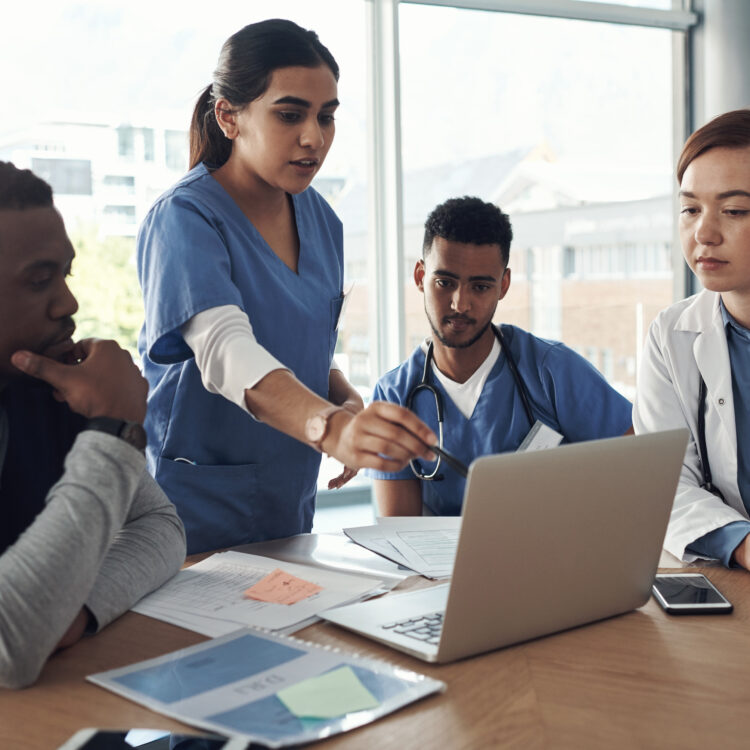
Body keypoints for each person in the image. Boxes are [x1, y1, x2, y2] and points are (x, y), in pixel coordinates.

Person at [137, 19, 436, 554]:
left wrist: (340, 396)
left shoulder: (323, 221)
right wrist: (332, 430)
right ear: (229, 116)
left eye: (326, 117)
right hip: (192, 515)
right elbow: (228, 351)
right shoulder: (185, 218)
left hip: (287, 506)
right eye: (290, 114)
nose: (313, 138)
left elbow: (298, 338)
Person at [0, 162, 186, 689]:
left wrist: (71, 607)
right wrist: (113, 428)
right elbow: (8, 642)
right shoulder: (88, 408)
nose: (69, 303)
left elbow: (161, 528)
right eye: (40, 280)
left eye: (67, 274)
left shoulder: (51, 387)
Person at [369, 196, 634, 516]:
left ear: (504, 285)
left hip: (548, 558)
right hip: (440, 565)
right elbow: (400, 538)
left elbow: (638, 469)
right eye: (444, 282)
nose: (459, 304)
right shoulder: (395, 396)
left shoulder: (553, 371)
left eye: (479, 287)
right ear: (419, 277)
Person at [634, 108, 750, 569]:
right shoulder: (671, 334)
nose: (703, 232)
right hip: (735, 579)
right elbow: (662, 485)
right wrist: (742, 544)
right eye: (690, 209)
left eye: (735, 210)